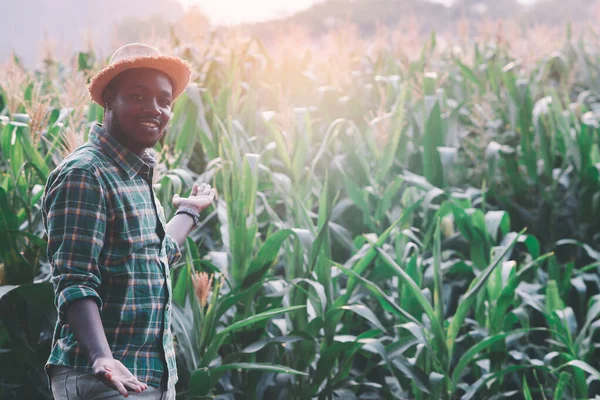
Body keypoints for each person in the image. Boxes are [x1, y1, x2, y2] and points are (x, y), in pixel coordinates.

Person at [42, 43, 215, 399]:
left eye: (164, 101)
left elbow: (155, 254)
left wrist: (190, 210)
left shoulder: (134, 174)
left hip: (144, 378)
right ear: (108, 100)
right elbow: (75, 280)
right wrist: (102, 356)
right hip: (104, 380)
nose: (155, 109)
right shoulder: (86, 174)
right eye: (138, 96)